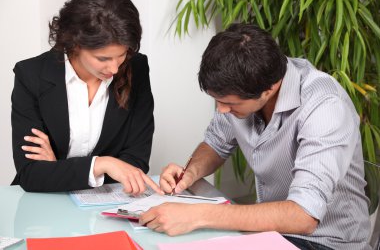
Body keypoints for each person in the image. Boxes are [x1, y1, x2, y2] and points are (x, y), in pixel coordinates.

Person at [140, 24, 371, 250]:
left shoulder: (324, 107)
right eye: (217, 101)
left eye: (229, 103)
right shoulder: (245, 86)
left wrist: (198, 216)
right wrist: (190, 172)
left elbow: (304, 215)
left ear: (269, 89)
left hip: (326, 242)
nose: (221, 110)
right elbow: (215, 143)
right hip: (271, 234)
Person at [11, 0, 163, 195]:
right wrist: (102, 164)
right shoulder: (31, 74)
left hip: (104, 207)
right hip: (41, 206)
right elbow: (30, 174)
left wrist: (57, 169)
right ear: (74, 43)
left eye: (122, 55)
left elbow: (135, 163)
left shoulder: (137, 67)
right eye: (103, 58)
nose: (115, 68)